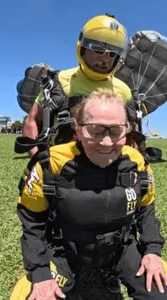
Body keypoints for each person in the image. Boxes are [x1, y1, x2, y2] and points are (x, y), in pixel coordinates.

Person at [15, 89, 167, 300]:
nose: (106, 142)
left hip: (121, 250)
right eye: (95, 130)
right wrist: (40, 272)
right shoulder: (50, 164)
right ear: (77, 129)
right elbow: (31, 221)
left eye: (115, 131)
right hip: (63, 252)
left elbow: (146, 210)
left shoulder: (137, 163)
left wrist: (152, 251)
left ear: (127, 130)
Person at [19, 13, 142, 157]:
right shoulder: (60, 81)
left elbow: (133, 135)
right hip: (63, 166)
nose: (105, 59)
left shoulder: (124, 91)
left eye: (112, 53)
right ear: (83, 48)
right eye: (98, 49)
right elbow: (32, 120)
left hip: (109, 167)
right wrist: (37, 159)